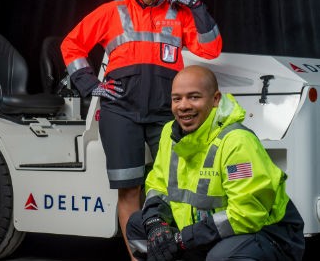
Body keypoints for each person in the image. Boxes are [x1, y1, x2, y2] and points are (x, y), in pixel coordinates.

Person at [60, 0, 223, 259]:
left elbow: (211, 49)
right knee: (130, 189)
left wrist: (199, 9)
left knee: (174, 188)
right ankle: (138, 258)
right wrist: (90, 84)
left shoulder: (179, 14)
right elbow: (72, 44)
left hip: (166, 113)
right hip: (120, 111)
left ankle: (173, 252)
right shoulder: (112, 11)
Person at [125, 65, 306, 261]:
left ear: (215, 99)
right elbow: (157, 185)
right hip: (206, 233)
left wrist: (182, 239)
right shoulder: (169, 133)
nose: (183, 105)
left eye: (194, 97)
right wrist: (155, 224)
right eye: (177, 98)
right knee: (138, 225)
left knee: (221, 256)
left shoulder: (237, 141)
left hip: (267, 234)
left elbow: (247, 214)